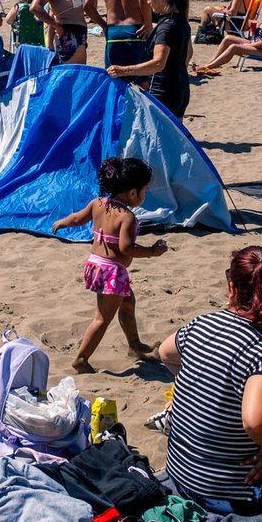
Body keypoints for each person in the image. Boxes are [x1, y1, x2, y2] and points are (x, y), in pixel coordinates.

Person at [159, 246, 262, 513]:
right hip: (225, 493)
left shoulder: (201, 324)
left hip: (178, 474)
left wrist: (198, 384)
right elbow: (254, 421)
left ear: (231, 288)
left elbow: (166, 353)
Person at [53, 157, 169, 373]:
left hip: (96, 266)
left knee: (127, 301)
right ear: (133, 193)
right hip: (112, 273)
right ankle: (81, 358)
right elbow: (126, 248)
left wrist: (62, 222)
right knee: (102, 318)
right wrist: (152, 251)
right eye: (144, 191)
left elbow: (77, 218)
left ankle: (135, 345)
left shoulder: (98, 204)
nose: (144, 196)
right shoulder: (127, 217)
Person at [108, 0, 192, 118]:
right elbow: (188, 54)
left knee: (157, 138)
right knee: (173, 138)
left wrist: (123, 71)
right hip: (181, 87)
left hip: (163, 91)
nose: (148, 1)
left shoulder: (166, 27)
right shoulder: (181, 21)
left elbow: (158, 63)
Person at [193, 0, 262, 75]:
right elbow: (256, 36)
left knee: (234, 47)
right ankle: (212, 62)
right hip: (256, 44)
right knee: (228, 38)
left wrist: (247, 45)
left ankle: (207, 66)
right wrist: (253, 28)